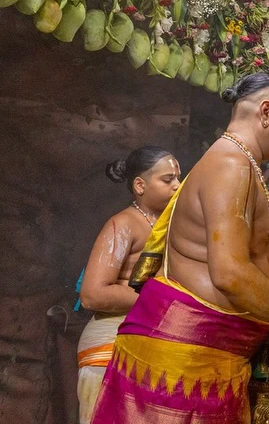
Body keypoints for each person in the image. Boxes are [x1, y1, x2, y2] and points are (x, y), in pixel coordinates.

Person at [90, 73, 269, 424]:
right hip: (181, 364)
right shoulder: (230, 166)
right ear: (265, 111)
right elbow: (230, 274)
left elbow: (239, 260)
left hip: (202, 361)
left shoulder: (239, 163)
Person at [76, 147, 181, 424]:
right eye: (167, 179)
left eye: (178, 178)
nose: (177, 186)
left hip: (148, 342)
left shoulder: (172, 225)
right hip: (112, 344)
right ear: (140, 185)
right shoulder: (123, 224)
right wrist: (162, 300)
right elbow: (92, 294)